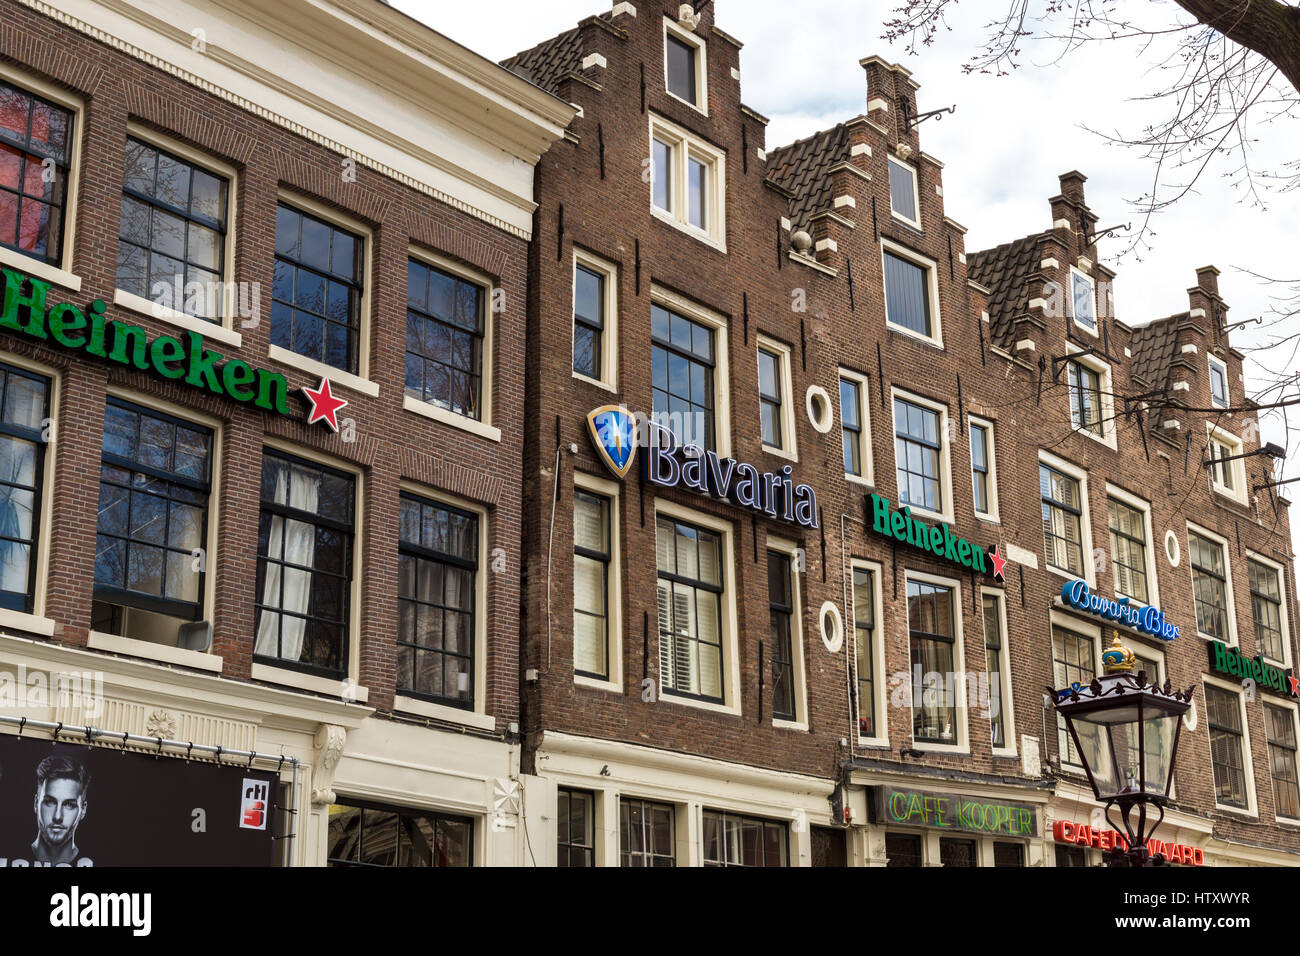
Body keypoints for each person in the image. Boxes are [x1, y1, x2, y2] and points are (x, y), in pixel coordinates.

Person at [31, 755, 89, 865]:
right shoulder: (8, 852)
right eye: (49, 802)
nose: (57, 817)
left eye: (69, 805)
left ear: (83, 810)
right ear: (36, 803)